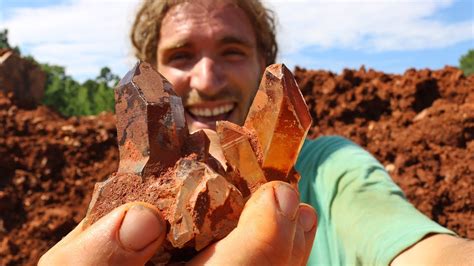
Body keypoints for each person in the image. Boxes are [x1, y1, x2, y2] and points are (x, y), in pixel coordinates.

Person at [40, 0, 473, 265]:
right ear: (151, 73)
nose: (207, 81)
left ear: (265, 61)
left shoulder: (331, 171)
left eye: (231, 51)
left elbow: (429, 252)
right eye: (182, 55)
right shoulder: (126, 208)